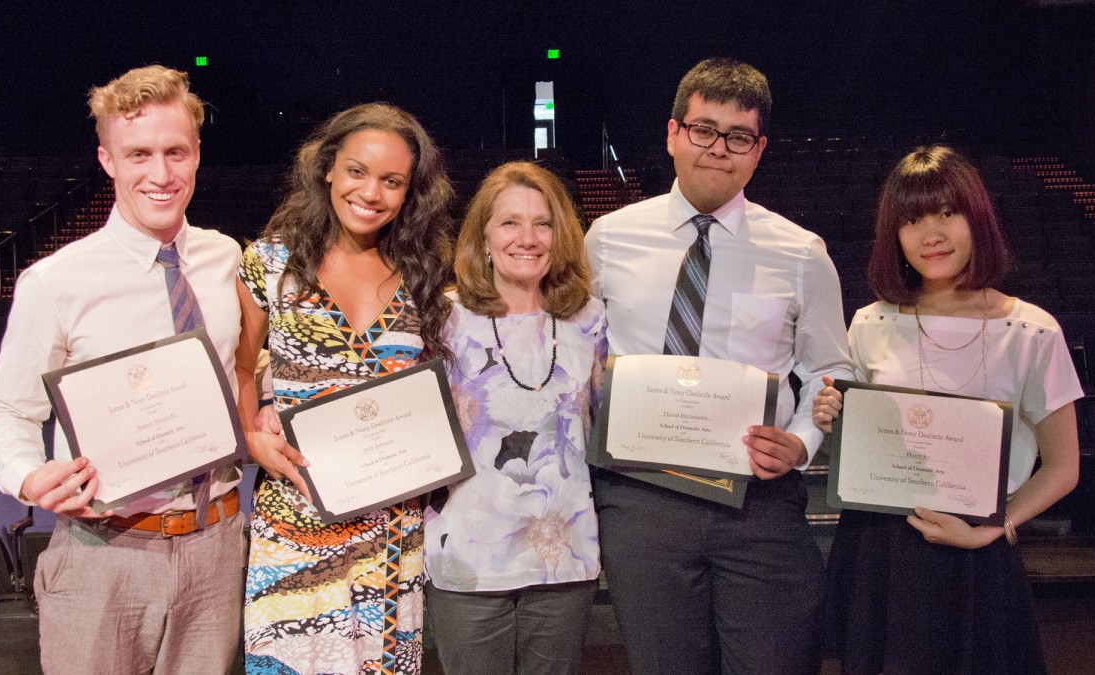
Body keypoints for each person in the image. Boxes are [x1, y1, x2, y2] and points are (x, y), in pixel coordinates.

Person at [584, 57, 853, 675]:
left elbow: (830, 370)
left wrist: (802, 442)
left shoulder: (801, 252)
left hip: (758, 500)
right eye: (704, 130)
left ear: (757, 150)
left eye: (737, 137)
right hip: (643, 497)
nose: (718, 149)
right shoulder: (607, 237)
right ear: (674, 134)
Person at [0, 65, 246, 674]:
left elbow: (249, 380)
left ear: (197, 152)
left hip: (217, 546)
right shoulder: (55, 281)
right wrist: (28, 477)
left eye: (176, 152)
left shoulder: (225, 257)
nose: (161, 174)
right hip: (105, 551)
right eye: (139, 154)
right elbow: (6, 412)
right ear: (107, 160)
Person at [811, 145, 1081, 675]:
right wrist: (832, 420)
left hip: (976, 552)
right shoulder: (871, 322)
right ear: (894, 233)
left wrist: (992, 527)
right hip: (880, 552)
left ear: (977, 218)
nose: (930, 234)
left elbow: (1064, 465)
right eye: (912, 219)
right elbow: (860, 443)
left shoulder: (1031, 331)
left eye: (947, 213)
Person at [235, 103, 454, 675]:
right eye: (357, 171)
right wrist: (251, 439)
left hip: (391, 535)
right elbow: (238, 368)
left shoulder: (424, 272)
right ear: (328, 168)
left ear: (411, 192)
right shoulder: (269, 261)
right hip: (298, 520)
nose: (371, 192)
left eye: (392, 181)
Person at [423, 162, 607, 675]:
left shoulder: (589, 318)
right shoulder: (442, 319)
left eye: (542, 224)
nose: (527, 238)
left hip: (563, 558)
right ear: (483, 236)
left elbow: (606, 422)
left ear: (561, 235)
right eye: (509, 223)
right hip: (467, 556)